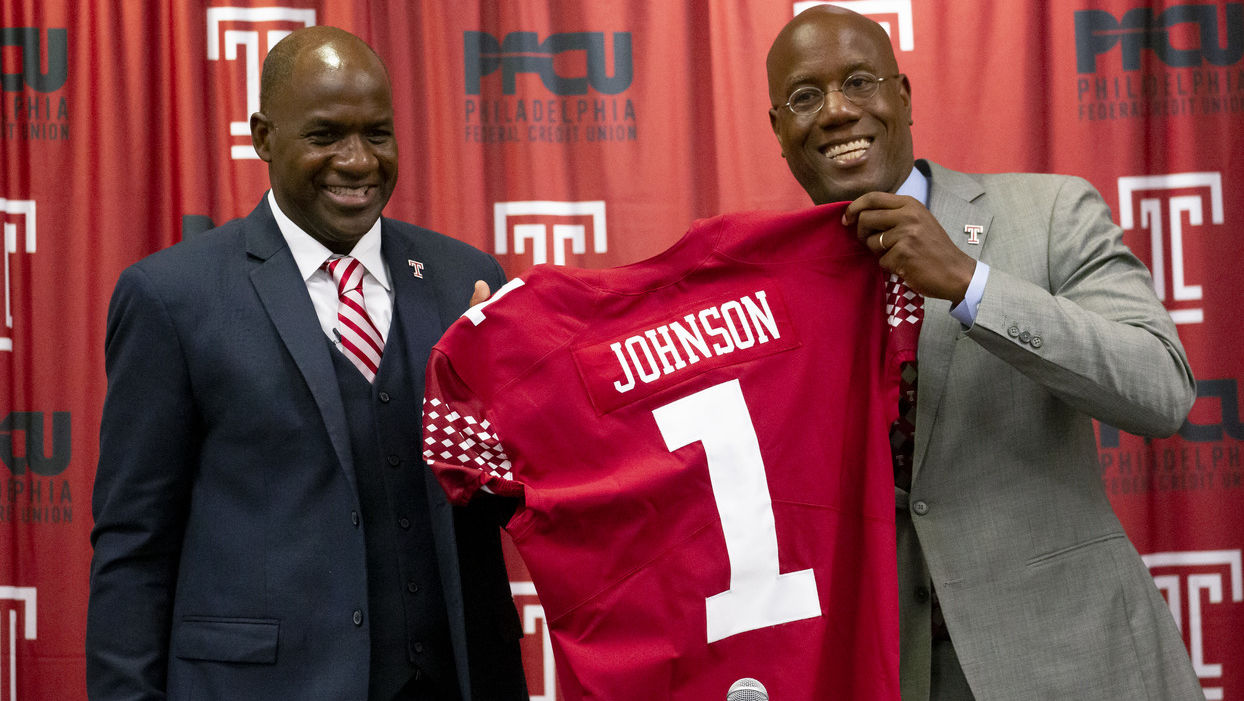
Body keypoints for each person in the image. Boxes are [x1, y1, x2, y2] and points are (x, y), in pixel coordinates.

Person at [765, 7, 1201, 700]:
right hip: (881, 674)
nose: (837, 112)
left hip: (1073, 661)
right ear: (779, 131)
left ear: (902, 97)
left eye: (857, 82)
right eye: (806, 98)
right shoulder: (762, 297)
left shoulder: (1051, 213)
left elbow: (1160, 389)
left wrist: (973, 285)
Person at [87, 26, 527, 701]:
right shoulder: (172, 296)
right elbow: (135, 546)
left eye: (377, 134)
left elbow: (517, 495)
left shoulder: (464, 280)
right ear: (264, 138)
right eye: (325, 136)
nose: (357, 162)